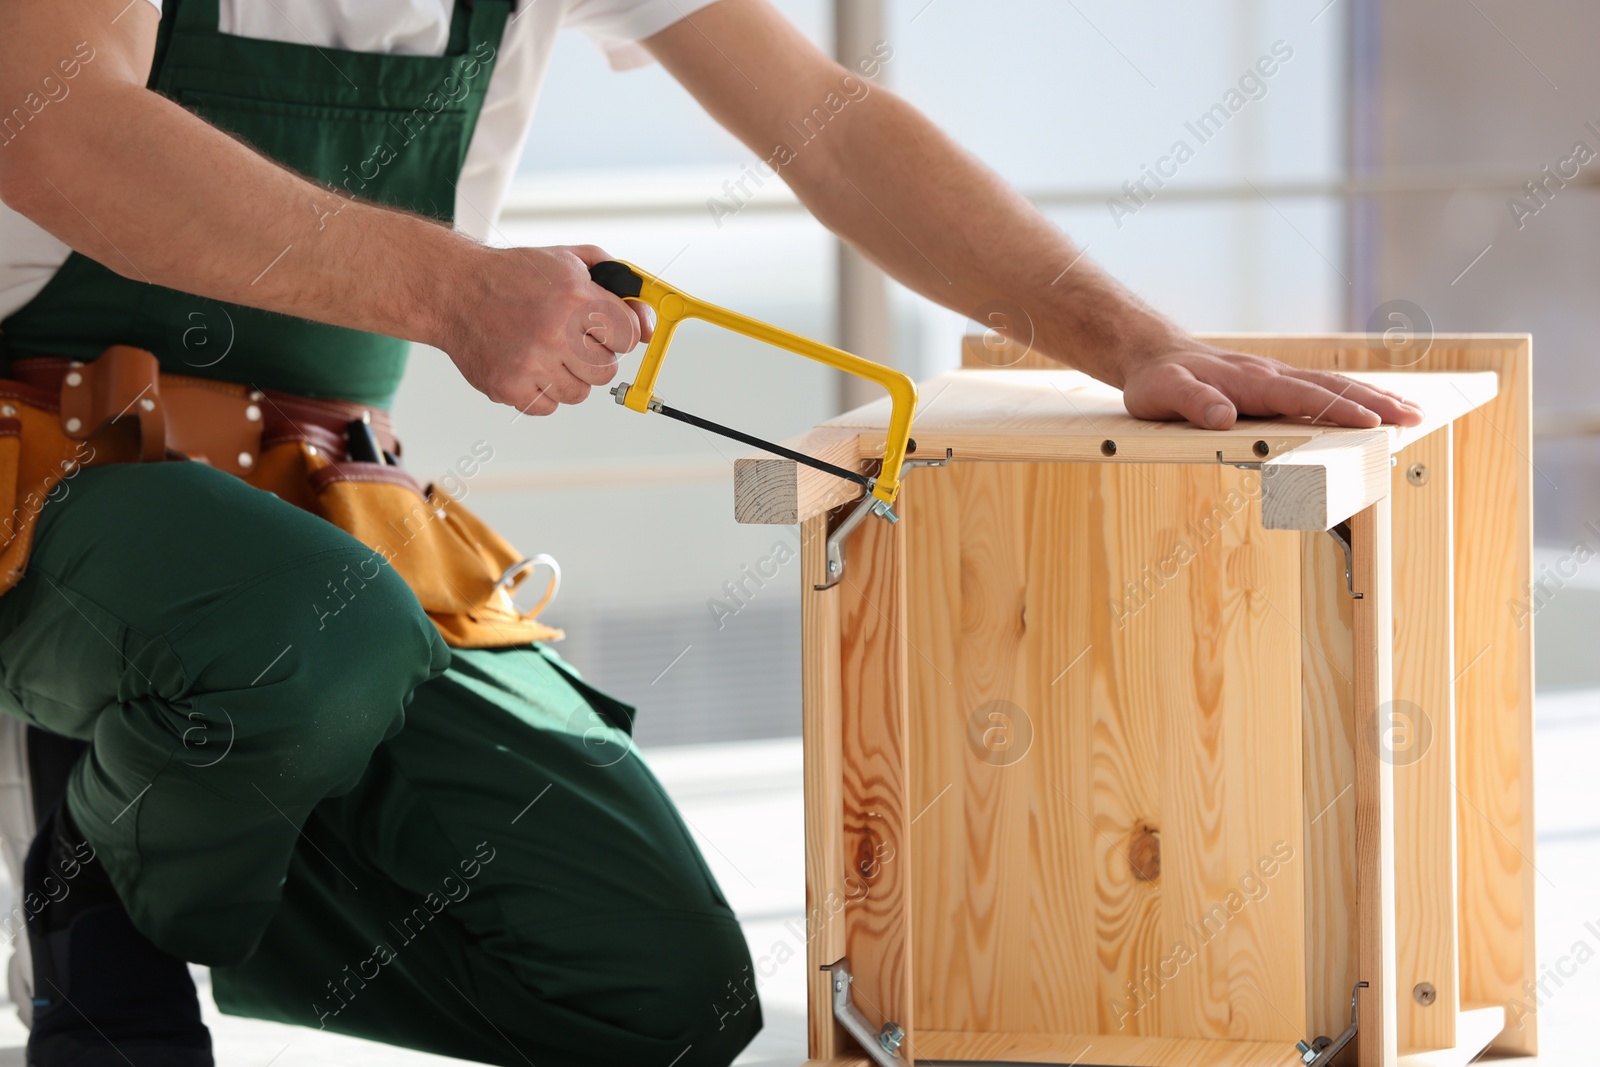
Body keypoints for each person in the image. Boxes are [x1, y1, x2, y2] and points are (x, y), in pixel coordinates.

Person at [0, 1, 1423, 1065]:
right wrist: (449, 291)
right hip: (42, 470)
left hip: (319, 506)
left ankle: (160, 798)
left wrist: (1128, 337)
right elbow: (54, 123)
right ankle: (97, 963)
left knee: (662, 995)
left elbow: (830, 121)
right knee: (290, 638)